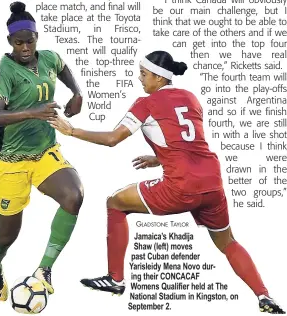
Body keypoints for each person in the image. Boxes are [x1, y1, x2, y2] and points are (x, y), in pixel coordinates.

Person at [49, 51, 284, 314]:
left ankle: (115, 279)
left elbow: (113, 139)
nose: (140, 79)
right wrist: (159, 158)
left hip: (181, 186)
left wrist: (72, 131)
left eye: (144, 74)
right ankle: (265, 296)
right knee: (228, 242)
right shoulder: (191, 98)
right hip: (212, 182)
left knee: (115, 203)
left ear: (159, 77)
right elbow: (188, 142)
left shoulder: (146, 103)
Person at [0, 1, 84, 301]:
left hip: (44, 152)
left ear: (36, 38)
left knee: (73, 196)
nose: (25, 47)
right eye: (19, 42)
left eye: (30, 40)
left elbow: (62, 67)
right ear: (9, 42)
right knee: (7, 236)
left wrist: (77, 93)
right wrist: (35, 112)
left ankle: (44, 271)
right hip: (10, 162)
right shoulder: (2, 72)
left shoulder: (49, 58)